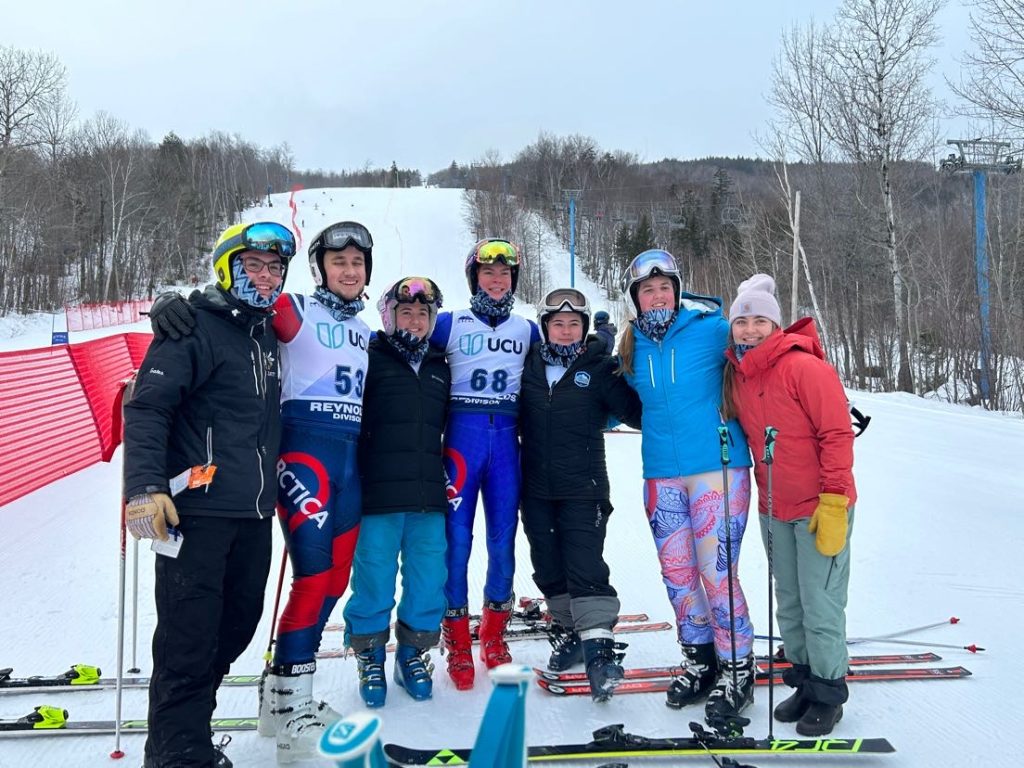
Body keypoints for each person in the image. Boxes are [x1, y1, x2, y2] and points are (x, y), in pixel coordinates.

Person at [149, 220, 375, 763]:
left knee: (335, 581)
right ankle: (286, 704)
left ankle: (283, 697)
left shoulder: (368, 327)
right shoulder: (291, 308)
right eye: (338, 261)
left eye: (358, 263)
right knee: (313, 575)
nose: (349, 271)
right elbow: (226, 302)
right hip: (303, 457)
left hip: (349, 462)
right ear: (321, 267)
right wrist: (168, 301)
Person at [125, 221, 294, 768]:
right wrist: (145, 488)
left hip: (251, 513)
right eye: (253, 265)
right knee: (187, 638)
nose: (265, 277)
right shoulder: (191, 326)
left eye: (274, 268)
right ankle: (176, 752)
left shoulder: (264, 333)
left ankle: (189, 730)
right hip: (193, 512)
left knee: (236, 624)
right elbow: (148, 406)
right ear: (227, 267)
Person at [616, 248, 755, 725]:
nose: (657, 296)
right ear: (635, 298)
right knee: (678, 576)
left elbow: (761, 352)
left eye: (664, 287)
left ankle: (737, 670)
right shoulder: (630, 344)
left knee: (717, 574)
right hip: (660, 474)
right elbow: (618, 399)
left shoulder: (711, 329)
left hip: (718, 469)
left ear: (677, 291)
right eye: (647, 290)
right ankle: (700, 661)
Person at [722, 274, 856, 737]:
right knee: (792, 603)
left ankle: (829, 691)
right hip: (773, 507)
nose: (751, 330)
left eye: (761, 320)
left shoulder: (804, 367)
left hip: (820, 505)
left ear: (775, 325)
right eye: (743, 321)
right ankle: (803, 680)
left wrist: (835, 499)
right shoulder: (739, 375)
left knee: (821, 604)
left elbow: (837, 433)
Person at [518, 287, 642, 701]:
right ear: (545, 328)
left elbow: (637, 412)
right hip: (535, 488)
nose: (566, 331)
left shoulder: (599, 367)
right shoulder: (529, 365)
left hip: (583, 488)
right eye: (558, 324)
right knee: (547, 567)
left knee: (585, 565)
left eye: (574, 324)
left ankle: (600, 652)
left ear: (585, 328)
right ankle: (573, 631)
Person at [429, 238, 540, 690]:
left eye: (505, 274)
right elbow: (401, 341)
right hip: (462, 440)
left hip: (505, 442)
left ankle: (493, 633)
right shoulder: (449, 323)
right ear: (474, 277)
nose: (497, 281)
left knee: (502, 539)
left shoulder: (527, 329)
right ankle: (456, 637)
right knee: (456, 540)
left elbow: (563, 359)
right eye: (488, 273)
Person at [342, 277, 450, 707]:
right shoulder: (369, 356)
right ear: (388, 316)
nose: (415, 320)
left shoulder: (443, 364)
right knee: (374, 579)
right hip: (379, 495)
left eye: (423, 313)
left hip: (427, 495)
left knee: (428, 580)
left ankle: (412, 653)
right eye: (406, 312)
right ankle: (369, 655)